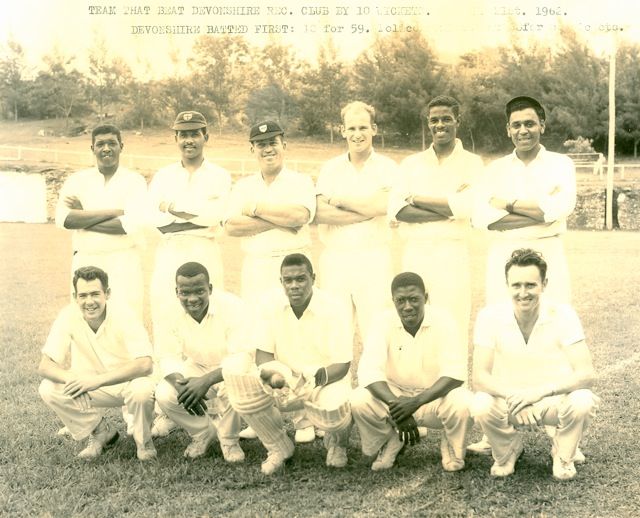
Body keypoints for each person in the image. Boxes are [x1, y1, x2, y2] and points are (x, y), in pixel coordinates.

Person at [470, 248, 598, 480]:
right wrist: (517, 397)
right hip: (510, 400)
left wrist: (536, 394)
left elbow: (586, 374)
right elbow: (479, 378)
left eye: (530, 285)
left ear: (544, 284)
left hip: (550, 400)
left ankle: (564, 452)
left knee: (582, 400)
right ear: (507, 285)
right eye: (516, 285)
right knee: (480, 403)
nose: (523, 293)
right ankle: (507, 450)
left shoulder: (564, 314)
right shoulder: (489, 316)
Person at [222, 254, 353, 474]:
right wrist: (278, 379)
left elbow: (342, 365)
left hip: (324, 381)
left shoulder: (335, 307)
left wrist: (310, 382)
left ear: (313, 277)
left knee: (337, 408)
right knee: (242, 388)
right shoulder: (268, 304)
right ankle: (278, 447)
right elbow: (263, 356)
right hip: (284, 381)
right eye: (288, 280)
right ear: (281, 281)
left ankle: (336, 444)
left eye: (301, 279)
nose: (294, 286)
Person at [147, 111, 231, 437]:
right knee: (166, 323)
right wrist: (188, 212)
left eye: (195, 133)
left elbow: (216, 216)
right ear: (176, 138)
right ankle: (166, 408)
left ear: (206, 135)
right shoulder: (164, 175)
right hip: (169, 251)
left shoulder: (220, 176)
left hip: (205, 249)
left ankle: (217, 401)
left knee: (210, 323)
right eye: (183, 134)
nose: (189, 140)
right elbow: (150, 218)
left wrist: (172, 209)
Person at [351, 272, 472, 472]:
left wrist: (415, 403)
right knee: (359, 399)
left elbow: (455, 373)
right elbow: (369, 372)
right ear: (393, 301)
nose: (408, 306)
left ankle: (451, 444)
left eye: (414, 299)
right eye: (401, 301)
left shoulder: (444, 319)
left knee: (463, 401)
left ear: (425, 298)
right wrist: (398, 407)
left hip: (434, 398)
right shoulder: (382, 321)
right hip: (396, 397)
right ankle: (389, 440)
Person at [388, 95, 482, 346]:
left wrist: (416, 199)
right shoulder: (411, 164)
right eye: (434, 120)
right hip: (416, 253)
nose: (440, 125)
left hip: (452, 254)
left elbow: (468, 206)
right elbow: (397, 210)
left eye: (446, 119)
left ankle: (455, 385)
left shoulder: (472, 163)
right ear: (428, 124)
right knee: (415, 322)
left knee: (453, 323)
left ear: (457, 121)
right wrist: (449, 206)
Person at [37, 266, 156, 461]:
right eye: (83, 295)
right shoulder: (68, 315)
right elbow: (45, 365)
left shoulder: (124, 314)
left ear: (107, 293)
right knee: (48, 388)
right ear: (76, 297)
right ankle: (101, 431)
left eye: (95, 294)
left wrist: (97, 381)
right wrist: (73, 379)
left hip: (128, 382)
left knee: (141, 391)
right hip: (90, 386)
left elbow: (145, 365)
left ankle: (144, 442)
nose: (89, 302)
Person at [472, 96, 576, 306]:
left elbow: (561, 207)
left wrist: (507, 204)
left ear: (542, 126)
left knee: (552, 320)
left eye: (530, 124)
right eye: (516, 125)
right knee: (503, 322)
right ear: (508, 129)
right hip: (503, 253)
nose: (523, 130)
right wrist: (541, 214)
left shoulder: (561, 164)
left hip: (548, 253)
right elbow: (481, 218)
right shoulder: (494, 169)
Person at [313, 101, 397, 337]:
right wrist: (367, 209)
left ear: (374, 129)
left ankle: (377, 376)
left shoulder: (388, 167)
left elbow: (385, 205)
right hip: (336, 259)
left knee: (377, 331)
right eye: (351, 129)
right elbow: (320, 213)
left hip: (374, 257)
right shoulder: (330, 168)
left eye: (363, 128)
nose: (357, 134)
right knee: (336, 334)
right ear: (342, 131)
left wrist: (340, 201)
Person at [154, 262, 250, 462]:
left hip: (228, 367)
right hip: (196, 366)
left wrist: (205, 382)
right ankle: (202, 433)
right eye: (185, 293)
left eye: (199, 291)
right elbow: (166, 356)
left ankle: (229, 440)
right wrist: (182, 385)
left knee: (235, 386)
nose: (192, 299)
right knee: (165, 394)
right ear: (176, 291)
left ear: (210, 289)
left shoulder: (233, 306)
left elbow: (242, 356)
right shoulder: (167, 311)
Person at [55, 124, 146, 318]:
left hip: (123, 261)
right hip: (86, 260)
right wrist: (115, 212)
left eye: (112, 143)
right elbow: (64, 219)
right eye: (100, 144)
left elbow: (127, 225)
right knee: (86, 320)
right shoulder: (77, 180)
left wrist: (83, 216)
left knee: (126, 318)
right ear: (92, 148)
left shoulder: (135, 181)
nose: (106, 148)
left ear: (121, 146)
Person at [224, 121, 316, 302]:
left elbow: (299, 216)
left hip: (295, 267)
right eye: (261, 145)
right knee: (257, 326)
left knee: (296, 325)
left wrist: (255, 209)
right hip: (256, 267)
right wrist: (282, 222)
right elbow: (232, 227)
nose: (268, 149)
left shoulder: (301, 181)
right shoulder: (243, 186)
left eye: (273, 143)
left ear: (284, 145)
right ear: (252, 149)